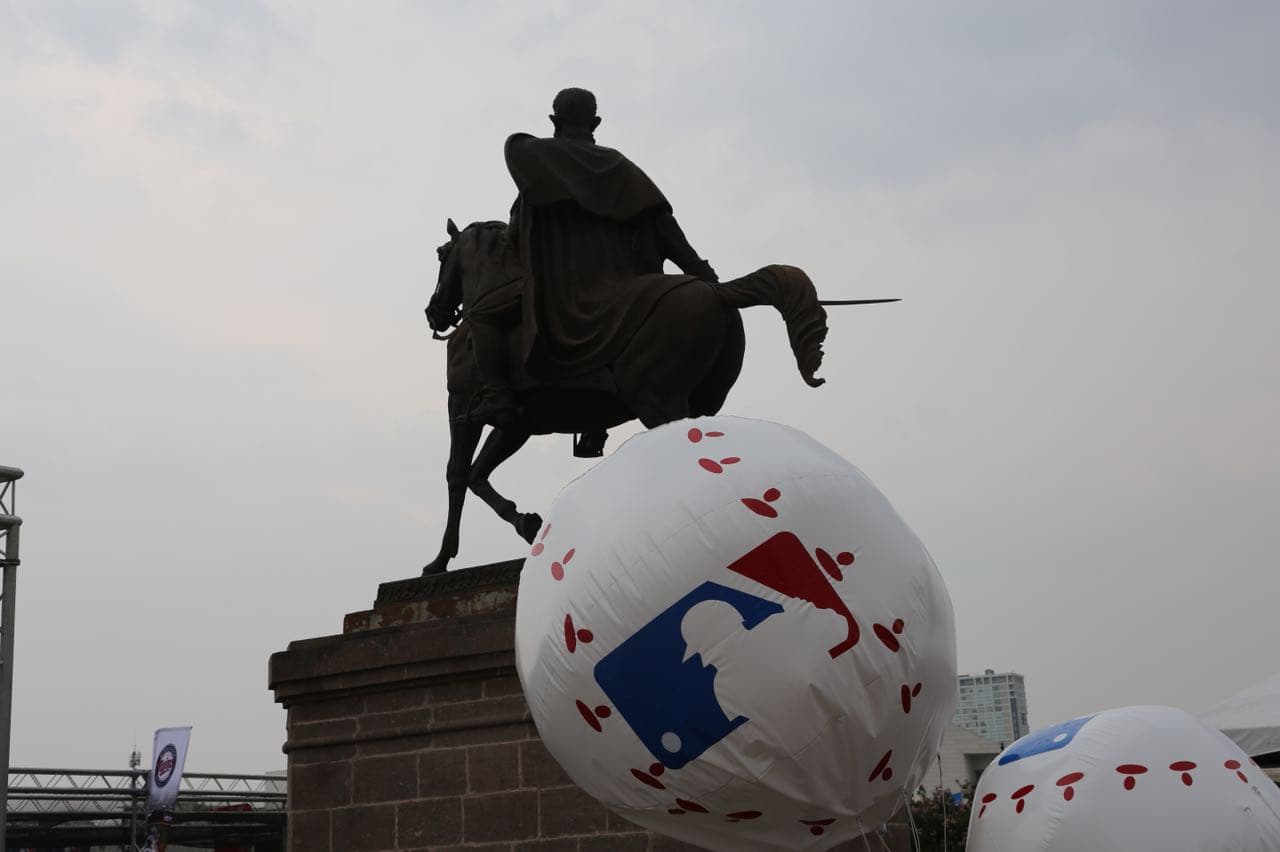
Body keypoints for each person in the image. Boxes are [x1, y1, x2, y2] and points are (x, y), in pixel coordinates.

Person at [467, 87, 718, 433]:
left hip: (565, 295)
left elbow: (515, 235)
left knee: (480, 314)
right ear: (595, 122)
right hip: (623, 287)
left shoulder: (538, 166)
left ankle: (497, 395)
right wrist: (702, 274)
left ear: (554, 121)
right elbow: (662, 227)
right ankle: (594, 422)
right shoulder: (621, 169)